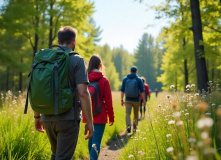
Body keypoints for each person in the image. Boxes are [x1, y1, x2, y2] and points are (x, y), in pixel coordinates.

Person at [34, 26, 94, 160]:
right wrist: (89, 121)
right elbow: (83, 93)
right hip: (68, 118)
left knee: (56, 155)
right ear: (74, 41)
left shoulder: (45, 59)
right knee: (62, 157)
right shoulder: (77, 60)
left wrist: (37, 116)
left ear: (58, 40)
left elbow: (37, 88)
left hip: (47, 117)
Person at [82, 54, 115, 160]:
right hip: (100, 114)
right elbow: (108, 101)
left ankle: (91, 158)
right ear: (100, 65)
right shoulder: (104, 80)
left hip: (88, 113)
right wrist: (111, 117)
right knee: (96, 141)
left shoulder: (84, 78)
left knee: (91, 140)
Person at [121, 66, 146, 133]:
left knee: (127, 113)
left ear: (130, 71)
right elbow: (142, 90)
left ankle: (128, 126)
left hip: (127, 99)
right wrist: (144, 100)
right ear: (136, 72)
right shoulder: (139, 79)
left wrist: (121, 100)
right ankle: (134, 128)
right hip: (136, 100)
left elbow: (122, 90)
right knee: (136, 114)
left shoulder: (125, 79)